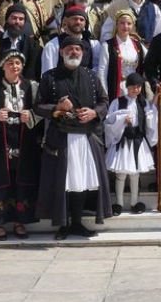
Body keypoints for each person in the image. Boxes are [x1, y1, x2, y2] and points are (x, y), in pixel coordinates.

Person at [35, 37, 112, 239]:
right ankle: (63, 225)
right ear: (61, 52)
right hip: (61, 137)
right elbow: (38, 106)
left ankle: (77, 223)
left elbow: (105, 101)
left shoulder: (92, 76)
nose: (74, 52)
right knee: (64, 182)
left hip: (86, 137)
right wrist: (56, 108)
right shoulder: (49, 77)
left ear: (83, 53)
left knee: (82, 181)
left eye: (78, 49)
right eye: (70, 49)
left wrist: (94, 113)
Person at [0, 50, 42, 241]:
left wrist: (30, 115)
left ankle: (20, 222)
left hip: (24, 139)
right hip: (0, 141)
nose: (15, 66)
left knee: (21, 180)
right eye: (10, 63)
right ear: (2, 66)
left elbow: (41, 107)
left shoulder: (32, 86)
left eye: (18, 63)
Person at [104, 73, 157, 215]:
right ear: (127, 87)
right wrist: (122, 120)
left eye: (138, 87)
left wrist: (148, 117)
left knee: (135, 174)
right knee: (121, 174)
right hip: (123, 141)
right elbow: (110, 120)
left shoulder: (144, 103)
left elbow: (152, 118)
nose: (136, 89)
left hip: (138, 141)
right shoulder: (118, 102)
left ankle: (135, 202)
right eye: (133, 87)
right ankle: (119, 203)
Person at [97, 9, 148, 99]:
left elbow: (149, 61)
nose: (125, 26)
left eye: (129, 23)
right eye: (122, 23)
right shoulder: (108, 46)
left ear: (132, 26)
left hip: (135, 90)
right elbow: (102, 72)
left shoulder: (138, 45)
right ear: (116, 25)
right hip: (117, 89)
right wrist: (104, 95)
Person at [41, 5, 101, 74]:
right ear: (66, 21)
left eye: (81, 20)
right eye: (74, 19)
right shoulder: (53, 45)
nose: (78, 22)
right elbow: (48, 73)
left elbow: (97, 70)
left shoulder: (93, 44)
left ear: (85, 23)